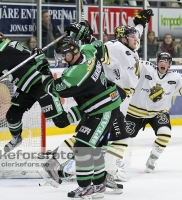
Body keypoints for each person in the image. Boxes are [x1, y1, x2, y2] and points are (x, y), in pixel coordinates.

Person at [38, 9, 154, 183]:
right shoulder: (116, 47)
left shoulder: (129, 45)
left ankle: (64, 165)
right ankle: (105, 172)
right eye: (132, 36)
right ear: (123, 38)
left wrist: (141, 21)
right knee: (113, 138)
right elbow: (94, 49)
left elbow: (136, 31)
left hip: (115, 98)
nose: (136, 38)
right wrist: (85, 36)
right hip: (112, 97)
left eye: (135, 36)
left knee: (94, 137)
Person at [37, 36, 123, 199]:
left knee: (82, 146)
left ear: (74, 51)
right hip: (99, 106)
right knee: (95, 148)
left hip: (103, 109)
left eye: (65, 55)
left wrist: (43, 68)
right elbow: (97, 44)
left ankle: (86, 188)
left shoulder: (76, 73)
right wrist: (83, 34)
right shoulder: (87, 50)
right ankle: (99, 185)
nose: (63, 58)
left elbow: (51, 89)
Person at [125, 52, 182, 173]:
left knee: (165, 133)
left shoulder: (175, 77)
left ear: (169, 64)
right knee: (123, 137)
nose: (163, 63)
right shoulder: (146, 68)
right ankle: (119, 162)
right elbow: (131, 66)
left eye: (166, 61)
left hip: (158, 112)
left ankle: (152, 159)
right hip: (135, 112)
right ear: (157, 62)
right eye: (161, 60)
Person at [0, 33, 71, 153]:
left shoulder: (4, 50)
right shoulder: (9, 45)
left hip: (41, 84)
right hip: (26, 87)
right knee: (12, 116)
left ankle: (87, 112)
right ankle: (17, 138)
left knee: (60, 121)